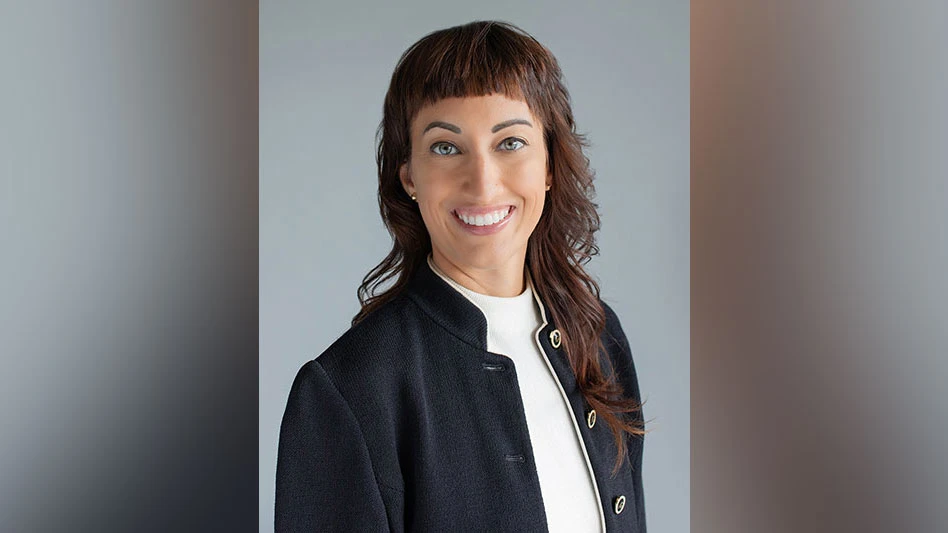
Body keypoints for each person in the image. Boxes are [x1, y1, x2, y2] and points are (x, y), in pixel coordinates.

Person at [275, 20, 646, 532]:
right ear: (408, 175)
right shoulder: (349, 392)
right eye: (446, 147)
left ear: (549, 165)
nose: (483, 181)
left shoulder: (599, 338)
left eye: (510, 142)